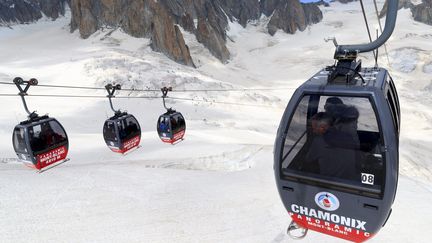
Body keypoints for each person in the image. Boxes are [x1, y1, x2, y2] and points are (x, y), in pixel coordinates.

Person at [306, 111, 358, 180]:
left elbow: (308, 160)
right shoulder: (349, 137)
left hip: (328, 183)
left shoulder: (319, 141)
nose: (313, 131)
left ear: (322, 128)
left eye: (314, 128)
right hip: (350, 182)